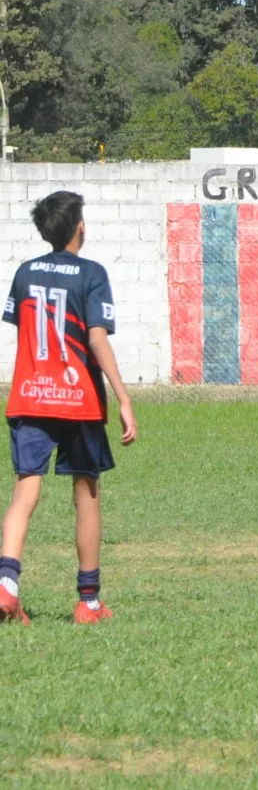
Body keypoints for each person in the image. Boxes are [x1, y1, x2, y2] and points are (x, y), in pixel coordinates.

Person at [0, 191, 138, 626]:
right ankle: (89, 601)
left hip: (29, 395)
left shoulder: (24, 273)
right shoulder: (92, 273)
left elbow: (28, 329)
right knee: (87, 493)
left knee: (25, 492)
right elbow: (96, 338)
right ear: (80, 226)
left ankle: (6, 584)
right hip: (78, 400)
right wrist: (124, 397)